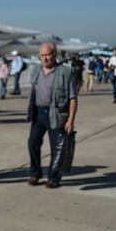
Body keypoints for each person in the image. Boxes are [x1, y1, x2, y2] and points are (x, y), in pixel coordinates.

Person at [27, 42, 78, 189]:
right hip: (38, 113)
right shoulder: (36, 70)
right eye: (42, 55)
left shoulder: (65, 72)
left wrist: (70, 120)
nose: (45, 58)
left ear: (54, 55)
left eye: (48, 54)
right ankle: (35, 173)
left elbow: (72, 98)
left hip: (56, 114)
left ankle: (54, 177)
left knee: (57, 148)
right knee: (33, 143)